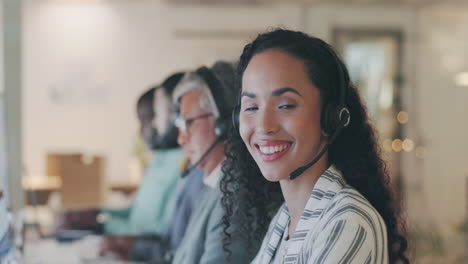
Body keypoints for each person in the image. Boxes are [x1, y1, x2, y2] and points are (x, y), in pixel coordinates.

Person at [220, 29, 409, 264]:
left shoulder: (346, 223)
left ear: (331, 118)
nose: (263, 126)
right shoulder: (287, 218)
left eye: (286, 105)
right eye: (251, 107)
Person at [170, 61, 254, 264]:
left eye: (189, 122)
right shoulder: (214, 183)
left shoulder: (235, 196)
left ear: (224, 124)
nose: (181, 139)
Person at [100, 73, 187, 259]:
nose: (150, 126)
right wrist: (99, 215)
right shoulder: (158, 159)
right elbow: (136, 213)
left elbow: (158, 231)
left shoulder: (185, 163)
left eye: (149, 118)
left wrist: (104, 225)